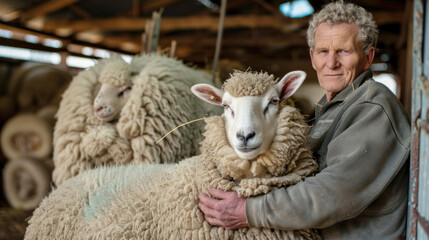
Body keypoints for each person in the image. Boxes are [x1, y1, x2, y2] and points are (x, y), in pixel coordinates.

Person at [198, 1, 411, 239]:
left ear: (368, 56)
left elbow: (334, 193)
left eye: (344, 51)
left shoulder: (373, 108)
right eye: (323, 51)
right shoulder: (333, 107)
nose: (331, 63)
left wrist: (249, 210)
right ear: (312, 57)